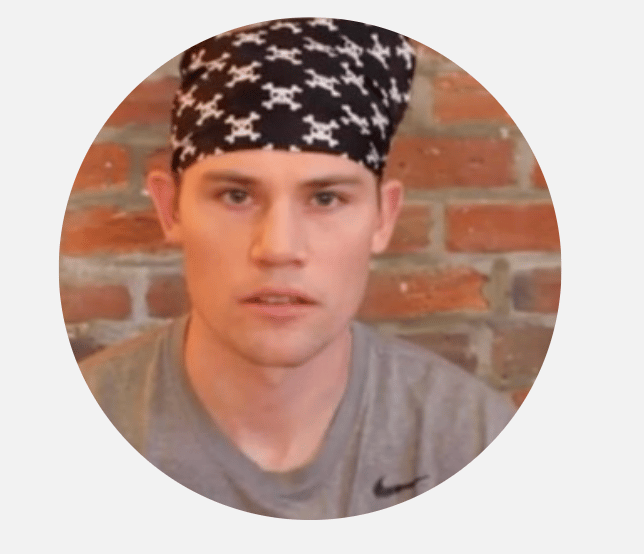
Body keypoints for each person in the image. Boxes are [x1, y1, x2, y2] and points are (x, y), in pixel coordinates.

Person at [81, 17, 516, 519]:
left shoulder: (472, 440)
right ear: (170, 209)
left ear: (383, 218)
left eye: (326, 199)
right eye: (236, 195)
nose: (278, 248)